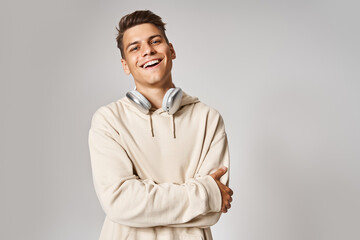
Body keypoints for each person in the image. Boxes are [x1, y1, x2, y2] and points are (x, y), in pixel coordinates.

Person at [88, 10, 233, 240]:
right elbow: (120, 203)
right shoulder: (108, 121)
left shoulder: (208, 119)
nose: (147, 51)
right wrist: (205, 193)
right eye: (135, 47)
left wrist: (144, 205)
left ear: (171, 50)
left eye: (155, 41)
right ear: (125, 65)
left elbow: (213, 211)